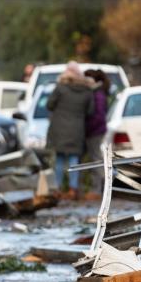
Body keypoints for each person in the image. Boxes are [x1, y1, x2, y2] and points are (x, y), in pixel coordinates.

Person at [46, 61, 94, 200]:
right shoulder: (87, 90)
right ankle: (73, 189)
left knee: (60, 159)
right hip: (77, 128)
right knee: (74, 159)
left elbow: (49, 105)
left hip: (59, 129)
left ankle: (58, 188)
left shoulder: (60, 88)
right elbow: (90, 111)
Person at [83, 69, 110, 201]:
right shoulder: (99, 92)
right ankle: (100, 188)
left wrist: (88, 128)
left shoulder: (97, 94)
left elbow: (98, 116)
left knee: (96, 160)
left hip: (95, 131)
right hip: (97, 129)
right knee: (96, 158)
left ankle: (99, 188)